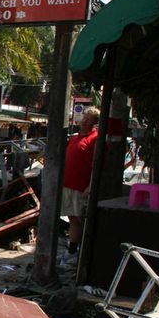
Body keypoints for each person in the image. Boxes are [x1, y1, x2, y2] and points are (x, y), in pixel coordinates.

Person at [60, 107, 101, 267]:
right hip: (68, 184)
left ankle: (81, 251)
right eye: (84, 119)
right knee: (72, 217)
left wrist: (90, 186)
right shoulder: (75, 137)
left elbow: (96, 166)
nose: (84, 122)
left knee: (80, 219)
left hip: (81, 187)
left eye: (88, 120)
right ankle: (72, 250)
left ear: (94, 123)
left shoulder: (95, 139)